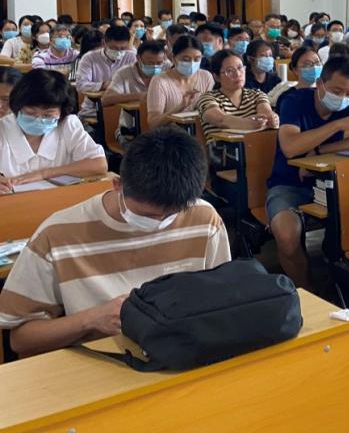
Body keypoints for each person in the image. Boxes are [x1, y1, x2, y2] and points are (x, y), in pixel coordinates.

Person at [0, 127, 230, 355]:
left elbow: (222, 301)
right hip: (101, 359)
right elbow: (20, 340)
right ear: (117, 185)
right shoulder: (58, 233)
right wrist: (91, 319)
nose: (158, 224)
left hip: (181, 351)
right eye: (146, 215)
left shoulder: (203, 218)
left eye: (170, 216)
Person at [269, 57, 349, 287]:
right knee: (286, 235)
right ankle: (305, 292)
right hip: (290, 183)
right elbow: (290, 147)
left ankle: (346, 270)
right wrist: (336, 125)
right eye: (337, 91)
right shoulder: (293, 100)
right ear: (320, 83)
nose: (343, 97)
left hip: (334, 183)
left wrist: (318, 150)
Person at [0, 70, 107, 194]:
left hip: (60, 197)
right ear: (17, 107)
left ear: (62, 112)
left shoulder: (67, 125)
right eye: (30, 113)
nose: (38, 119)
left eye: (48, 115)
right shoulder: (3, 127)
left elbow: (99, 165)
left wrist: (44, 173)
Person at [196, 50, 278, 139]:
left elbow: (265, 112)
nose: (238, 74)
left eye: (240, 68)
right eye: (229, 71)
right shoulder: (207, 98)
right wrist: (249, 123)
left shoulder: (257, 95)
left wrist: (271, 118)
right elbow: (221, 120)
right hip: (223, 147)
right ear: (217, 77)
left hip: (256, 145)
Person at [101, 40, 167, 146]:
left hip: (162, 131)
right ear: (138, 59)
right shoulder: (124, 73)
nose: (155, 67)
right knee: (141, 150)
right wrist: (139, 96)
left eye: (159, 63)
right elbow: (105, 100)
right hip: (130, 131)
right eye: (150, 63)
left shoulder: (167, 69)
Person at [146, 35, 215, 128]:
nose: (192, 63)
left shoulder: (206, 77)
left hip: (201, 132)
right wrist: (179, 107)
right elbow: (153, 123)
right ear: (174, 58)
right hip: (171, 134)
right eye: (186, 60)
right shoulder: (159, 81)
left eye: (197, 59)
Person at [74, 25, 136, 117]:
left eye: (123, 48)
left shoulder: (131, 57)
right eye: (114, 48)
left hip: (124, 108)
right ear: (104, 43)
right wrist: (103, 85)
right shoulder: (89, 58)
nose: (119, 52)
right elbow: (80, 85)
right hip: (93, 109)